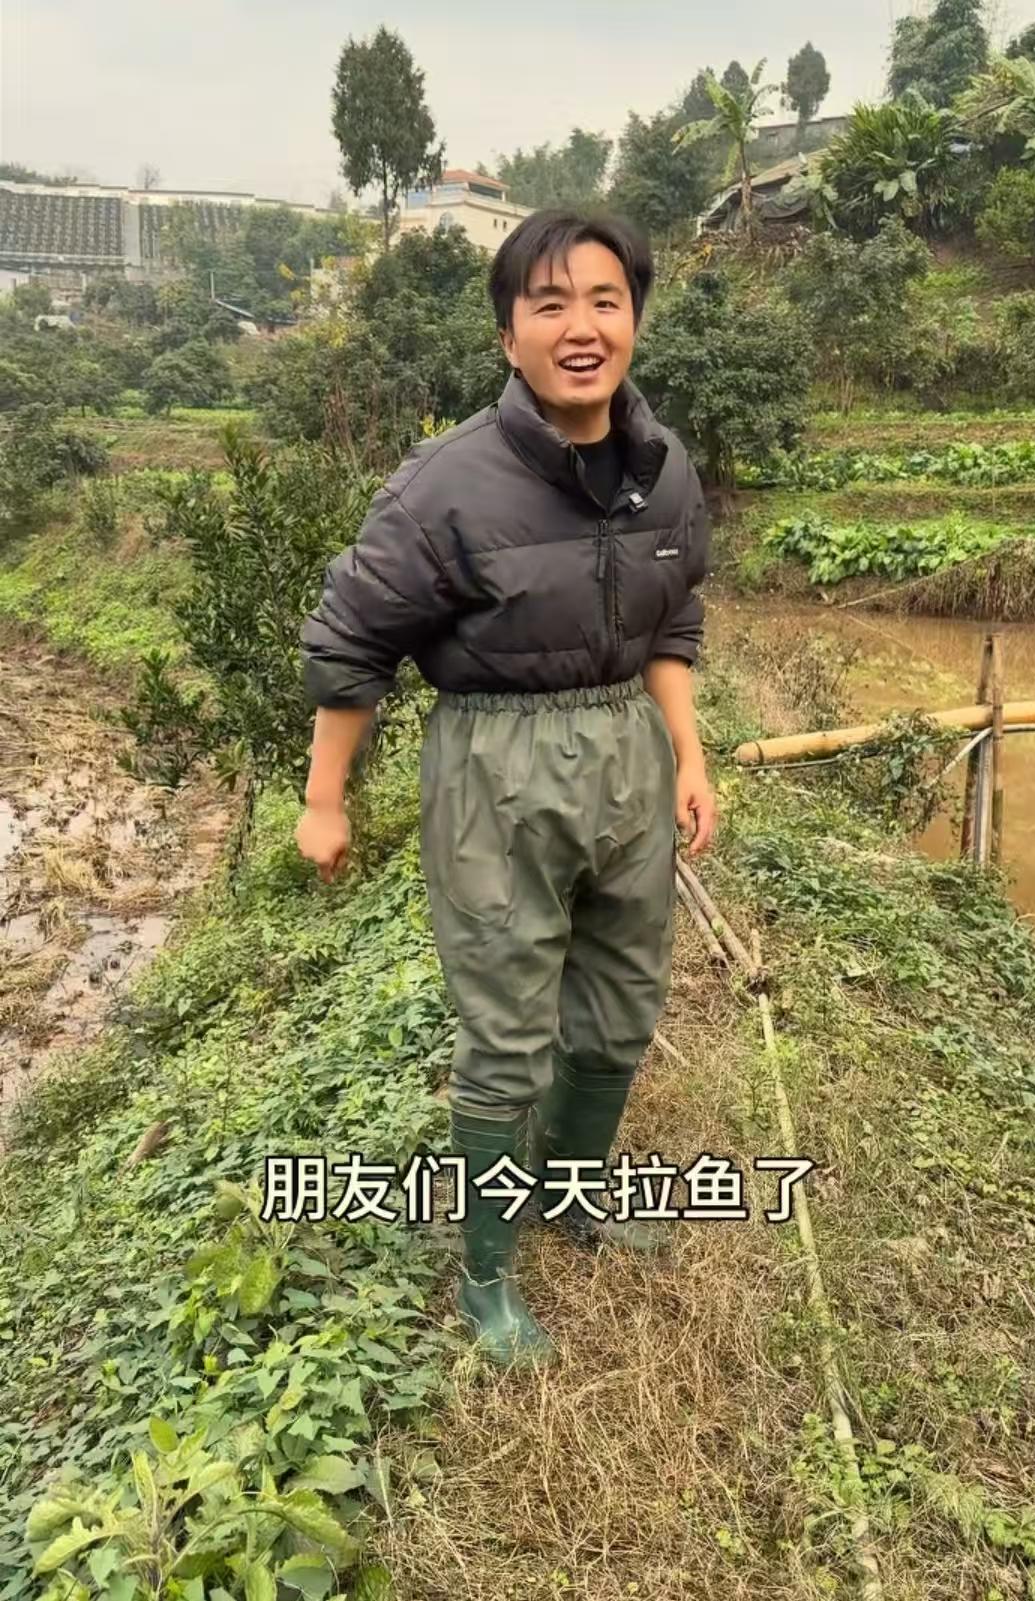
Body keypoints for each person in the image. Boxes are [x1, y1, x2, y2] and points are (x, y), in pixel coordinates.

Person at [295, 207, 717, 1368]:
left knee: (620, 1004)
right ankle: (485, 1275)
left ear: (633, 319)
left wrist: (685, 753)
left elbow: (672, 620)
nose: (581, 327)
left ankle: (572, 1195)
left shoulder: (664, 469)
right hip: (495, 765)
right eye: (549, 304)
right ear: (507, 335)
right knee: (506, 1033)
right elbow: (351, 640)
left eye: (604, 301)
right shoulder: (445, 485)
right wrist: (325, 798)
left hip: (627, 752)